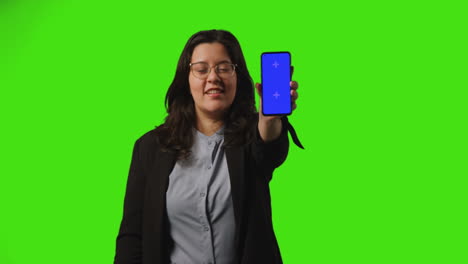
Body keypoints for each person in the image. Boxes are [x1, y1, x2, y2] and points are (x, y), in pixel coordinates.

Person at [114, 29, 303, 264]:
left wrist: (269, 118)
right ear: (187, 78)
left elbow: (269, 149)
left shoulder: (252, 137)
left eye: (224, 68)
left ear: (237, 76)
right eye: (201, 69)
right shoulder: (150, 148)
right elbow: (132, 237)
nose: (213, 77)